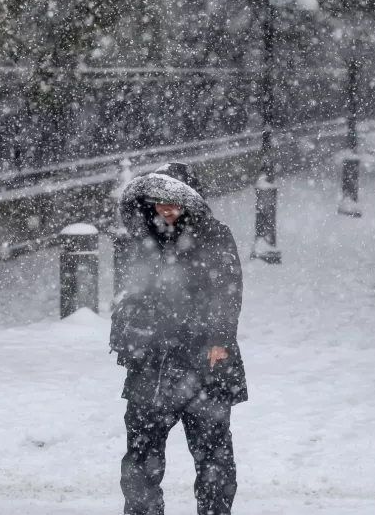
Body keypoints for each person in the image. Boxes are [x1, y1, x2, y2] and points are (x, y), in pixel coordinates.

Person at [111, 162, 246, 515]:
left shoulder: (215, 235)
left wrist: (219, 338)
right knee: (141, 456)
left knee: (213, 455)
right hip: (151, 364)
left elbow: (227, 290)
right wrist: (127, 339)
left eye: (173, 201)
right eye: (158, 201)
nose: (166, 209)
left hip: (203, 363)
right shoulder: (139, 240)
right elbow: (127, 295)